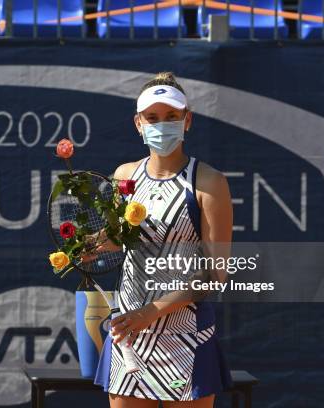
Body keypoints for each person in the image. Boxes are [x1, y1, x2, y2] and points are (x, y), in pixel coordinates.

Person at [90, 72, 233, 407]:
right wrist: (86, 245)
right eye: (152, 118)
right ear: (138, 123)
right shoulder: (125, 175)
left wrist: (150, 312)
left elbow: (215, 274)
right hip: (129, 334)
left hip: (184, 336)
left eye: (171, 116)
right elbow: (117, 238)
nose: (162, 125)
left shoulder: (210, 182)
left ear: (188, 120)